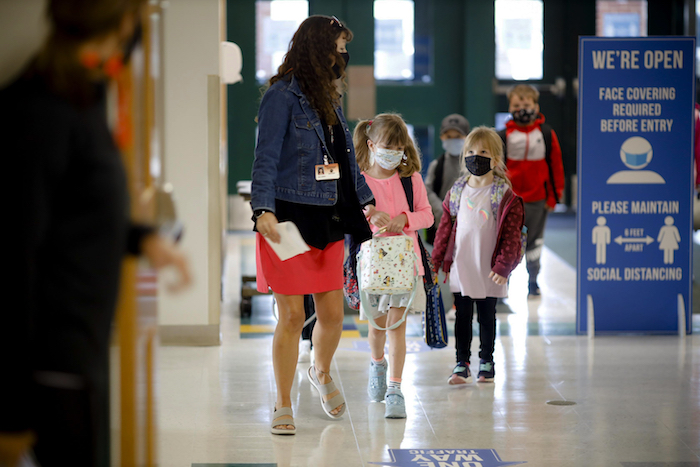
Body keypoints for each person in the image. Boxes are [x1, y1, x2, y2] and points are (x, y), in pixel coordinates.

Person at [0, 1, 192, 465]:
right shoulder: (38, 109)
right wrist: (11, 410)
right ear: (123, 21)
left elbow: (78, 207)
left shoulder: (83, 96)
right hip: (50, 359)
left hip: (81, 346)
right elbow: (13, 253)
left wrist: (143, 238)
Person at [251, 15, 375, 435]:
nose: (342, 55)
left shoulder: (330, 97)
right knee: (290, 316)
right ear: (316, 47)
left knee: (334, 315)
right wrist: (261, 209)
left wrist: (366, 200)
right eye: (338, 47)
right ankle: (282, 403)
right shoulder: (280, 96)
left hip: (328, 215)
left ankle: (320, 372)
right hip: (286, 217)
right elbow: (265, 157)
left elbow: (345, 160)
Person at [353, 113, 434, 419]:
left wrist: (406, 218)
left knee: (396, 327)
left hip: (405, 266)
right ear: (371, 145)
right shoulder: (359, 180)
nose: (394, 154)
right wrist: (369, 214)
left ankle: (395, 389)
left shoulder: (410, 180)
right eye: (388, 146)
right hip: (373, 268)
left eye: (399, 148)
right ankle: (377, 365)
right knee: (377, 327)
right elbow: (348, 218)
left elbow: (427, 215)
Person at [432, 127, 524, 385]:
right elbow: (445, 228)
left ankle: (487, 361)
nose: (476, 156)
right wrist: (436, 261)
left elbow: (512, 234)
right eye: (470, 152)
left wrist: (504, 266)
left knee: (486, 315)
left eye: (483, 152)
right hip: (462, 265)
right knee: (462, 315)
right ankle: (461, 363)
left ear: (495, 159)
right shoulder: (458, 189)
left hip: (490, 268)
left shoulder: (504, 194)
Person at [498, 84, 564, 297]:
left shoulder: (546, 133)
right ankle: (502, 283)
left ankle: (533, 282)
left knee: (534, 243)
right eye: (516, 105)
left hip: (538, 200)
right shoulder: (502, 136)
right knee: (507, 242)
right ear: (509, 106)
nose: (521, 108)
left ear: (536, 106)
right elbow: (497, 170)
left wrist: (554, 197)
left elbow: (556, 166)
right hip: (510, 201)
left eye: (526, 104)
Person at [424, 114, 470, 245]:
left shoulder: (473, 164)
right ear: (442, 138)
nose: (453, 140)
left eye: (457, 136)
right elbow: (427, 191)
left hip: (468, 226)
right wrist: (442, 210)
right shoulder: (437, 165)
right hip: (442, 227)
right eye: (449, 137)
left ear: (467, 137)